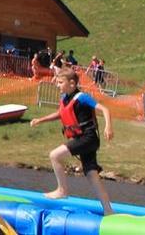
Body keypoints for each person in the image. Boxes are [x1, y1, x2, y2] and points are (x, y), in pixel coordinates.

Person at [30, 68, 113, 215]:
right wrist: (40, 120)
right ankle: (109, 211)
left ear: (72, 83)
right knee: (92, 175)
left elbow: (105, 109)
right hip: (83, 139)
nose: (58, 85)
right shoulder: (65, 98)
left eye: (61, 82)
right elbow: (60, 113)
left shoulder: (82, 97)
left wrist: (108, 126)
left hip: (87, 138)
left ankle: (62, 190)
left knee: (54, 155)